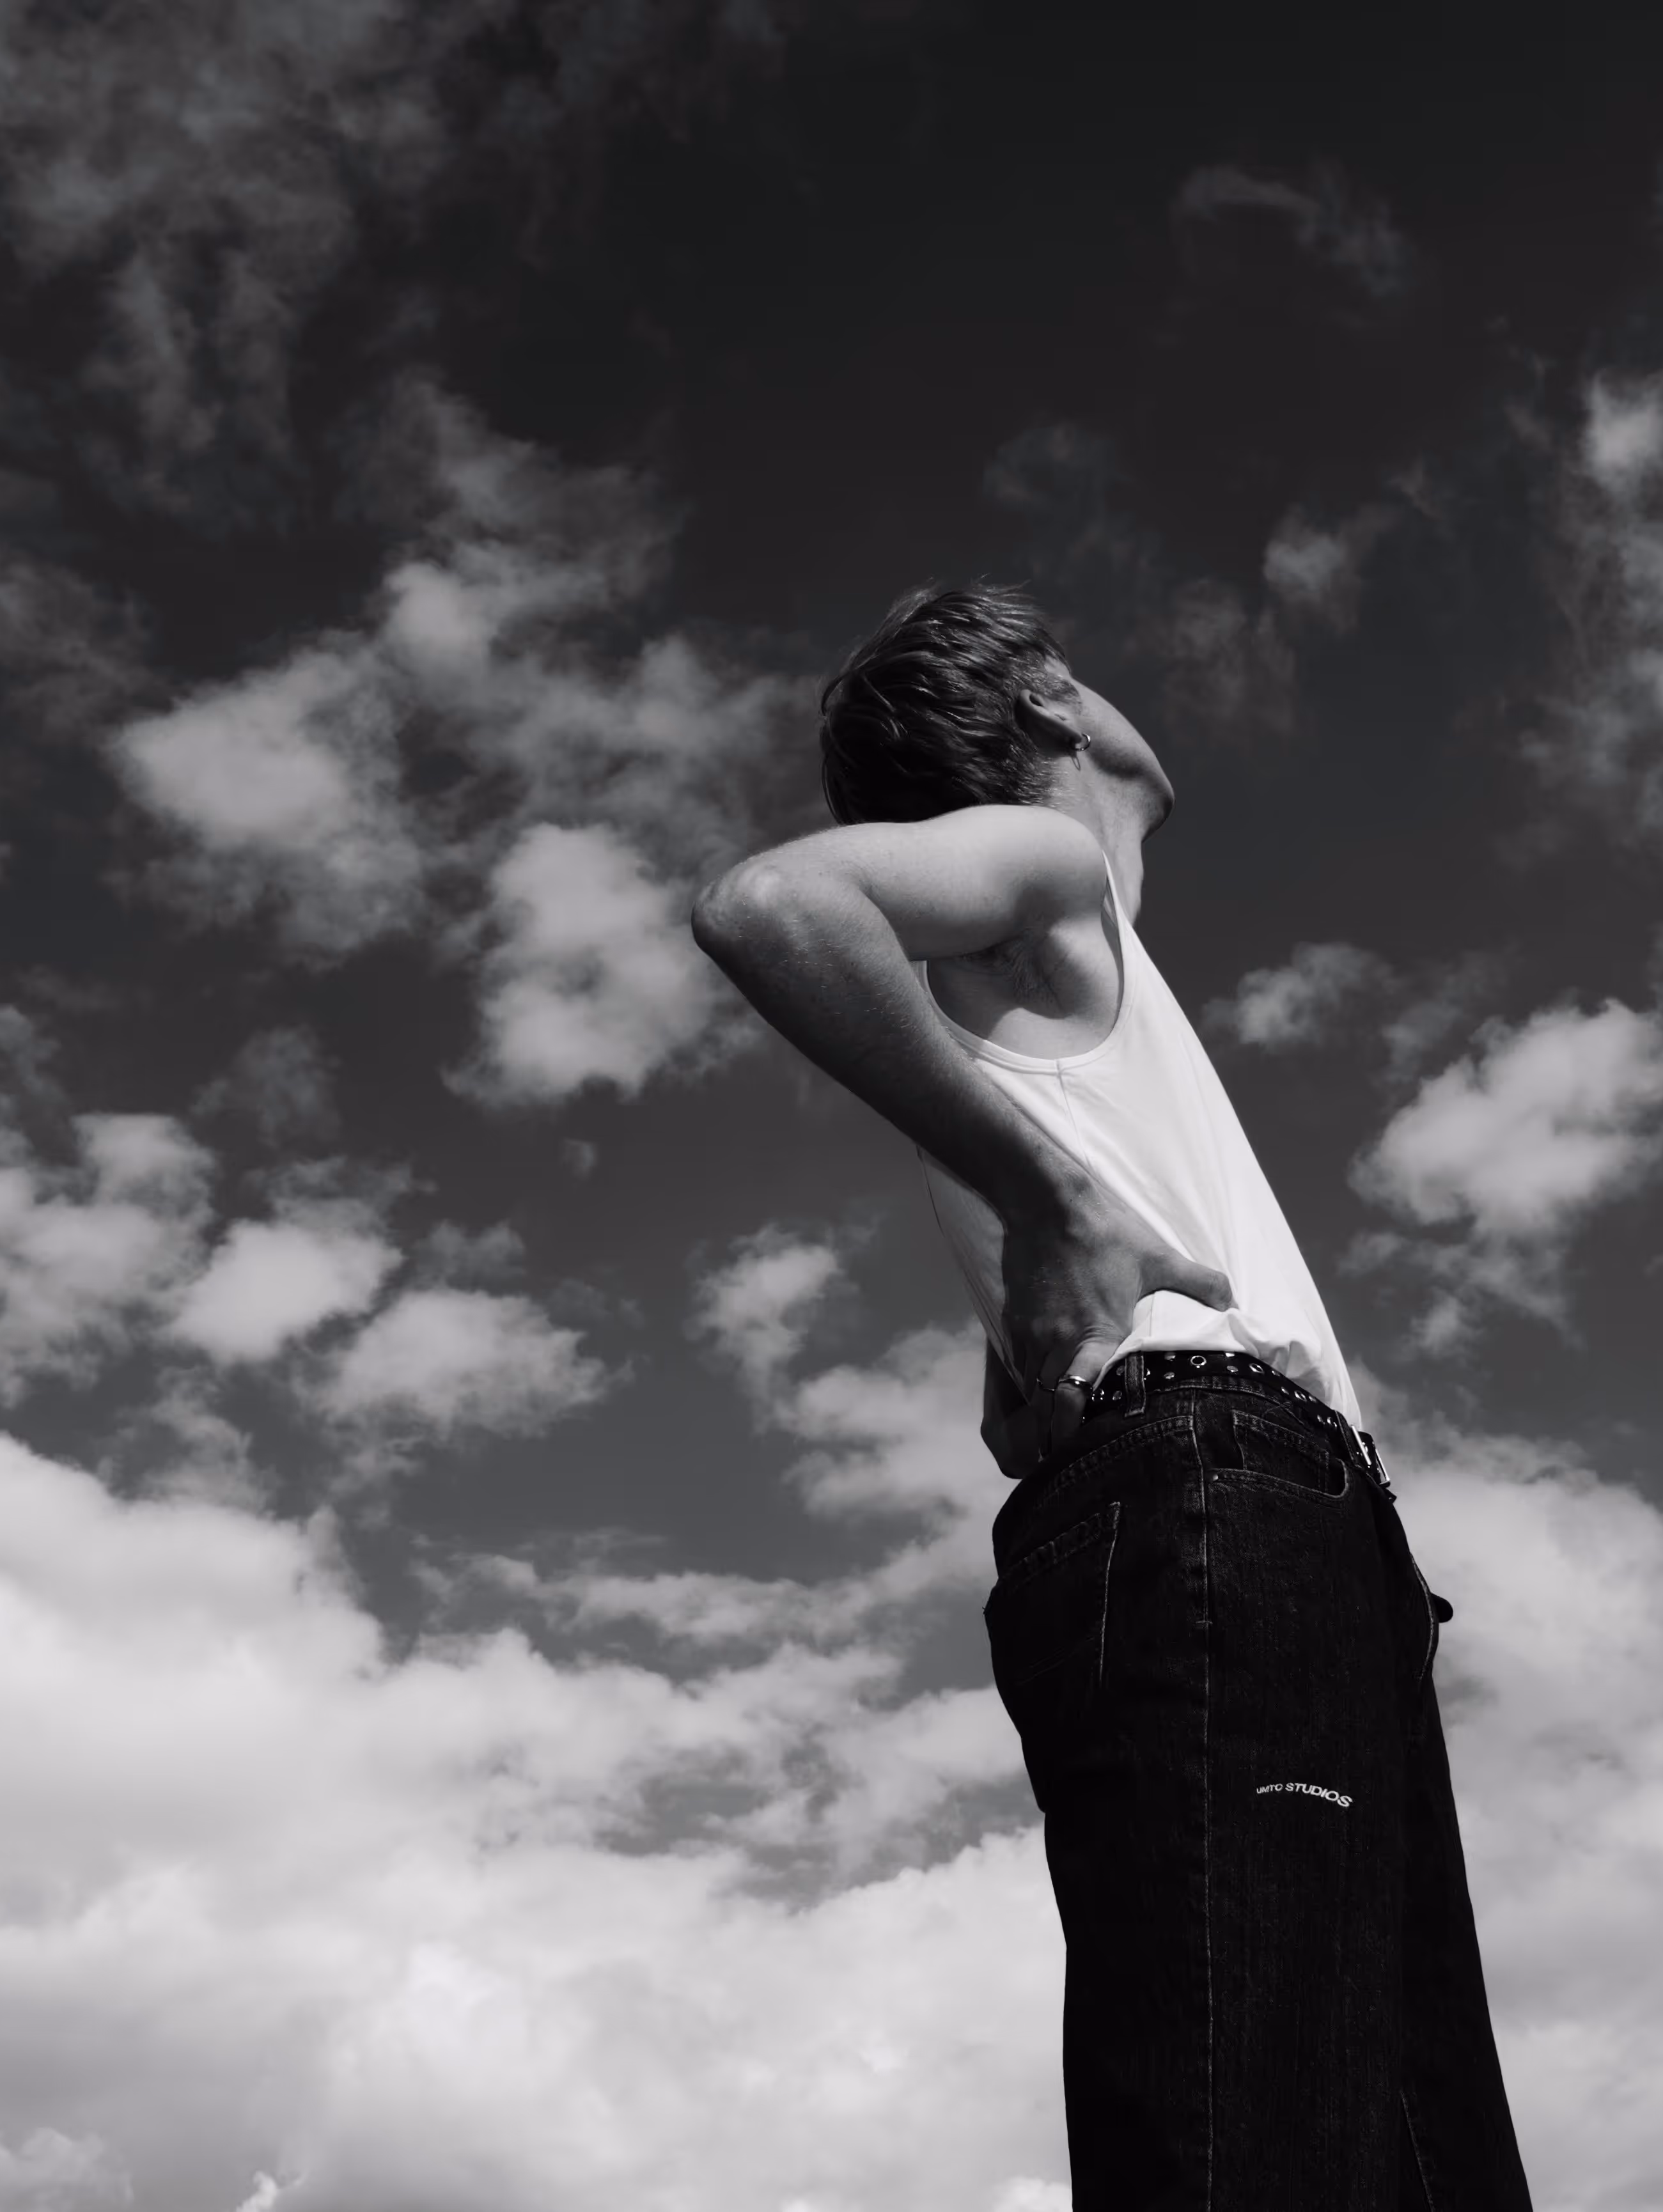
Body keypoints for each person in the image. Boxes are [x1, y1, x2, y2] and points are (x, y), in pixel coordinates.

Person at [692, 583, 1531, 2211]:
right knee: (1259, 2154)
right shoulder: (1044, 861)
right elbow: (766, 907)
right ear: (1056, 707)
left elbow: (1147, 789)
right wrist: (1053, 1203)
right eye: (1075, 674)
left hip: (1313, 1536)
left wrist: (1026, 1311)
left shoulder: (1078, 928)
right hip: (1230, 1484)